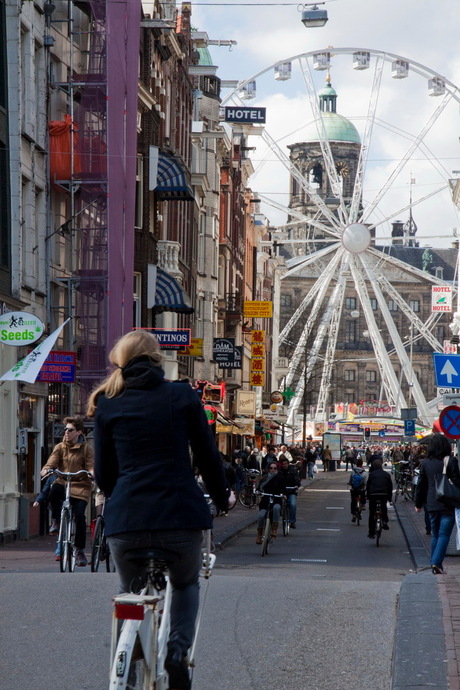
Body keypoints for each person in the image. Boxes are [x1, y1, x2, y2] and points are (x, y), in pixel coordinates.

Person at [88, 330, 232, 690]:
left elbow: (105, 474)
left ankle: (128, 665)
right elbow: (207, 456)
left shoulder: (107, 400)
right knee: (184, 583)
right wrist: (223, 495)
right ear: (157, 359)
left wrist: (120, 499)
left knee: (130, 588)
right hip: (179, 515)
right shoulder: (181, 395)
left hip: (127, 520)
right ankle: (177, 651)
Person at [40, 417, 94, 567]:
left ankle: (79, 549)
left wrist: (91, 472)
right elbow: (51, 462)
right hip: (64, 482)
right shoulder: (60, 447)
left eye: (70, 430)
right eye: (65, 430)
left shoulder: (86, 448)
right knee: (55, 489)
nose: (66, 432)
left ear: (79, 432)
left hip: (81, 485)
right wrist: (45, 470)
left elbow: (90, 465)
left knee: (79, 517)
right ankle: (56, 520)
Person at [414, 433, 460, 574]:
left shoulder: (425, 462)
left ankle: (435, 563)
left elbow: (421, 484)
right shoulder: (450, 460)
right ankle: (436, 563)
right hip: (448, 501)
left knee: (435, 534)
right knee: (444, 534)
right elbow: (457, 482)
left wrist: (418, 503)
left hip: (431, 502)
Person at [256, 461, 286, 543]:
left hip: (276, 499)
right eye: (271, 468)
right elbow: (259, 488)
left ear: (277, 469)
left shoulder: (280, 478)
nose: (273, 470)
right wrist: (258, 491)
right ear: (268, 469)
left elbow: (283, 489)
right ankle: (259, 534)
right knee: (261, 515)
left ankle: (274, 528)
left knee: (276, 508)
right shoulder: (264, 478)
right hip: (265, 500)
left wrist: (283, 494)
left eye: (275, 468)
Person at [366, 458, 393, 539]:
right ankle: (384, 521)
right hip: (383, 494)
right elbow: (390, 487)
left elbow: (368, 486)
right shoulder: (386, 474)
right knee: (383, 507)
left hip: (373, 494)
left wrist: (368, 496)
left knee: (372, 513)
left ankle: (371, 532)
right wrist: (390, 498)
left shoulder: (371, 475)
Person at [279, 456, 301, 528]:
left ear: (288, 464)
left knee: (293, 504)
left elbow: (297, 479)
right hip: (282, 491)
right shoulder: (279, 471)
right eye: (283, 464)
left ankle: (292, 522)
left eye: (286, 464)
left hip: (291, 491)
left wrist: (296, 485)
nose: (284, 465)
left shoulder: (293, 470)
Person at [347, 457, 367, 522]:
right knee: (363, 494)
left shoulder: (353, 471)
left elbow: (350, 480)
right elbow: (365, 482)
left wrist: (350, 483)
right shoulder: (364, 472)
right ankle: (363, 505)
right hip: (361, 490)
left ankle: (353, 515)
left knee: (353, 501)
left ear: (356, 464)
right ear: (362, 464)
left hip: (354, 489)